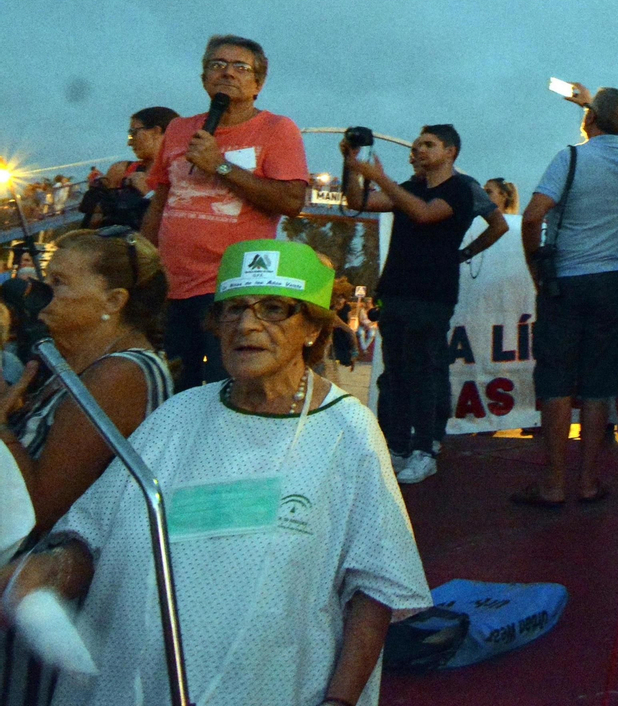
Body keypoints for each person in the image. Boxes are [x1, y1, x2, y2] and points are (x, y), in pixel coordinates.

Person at [0, 240, 431, 706]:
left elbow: (374, 587)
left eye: (273, 309)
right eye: (233, 310)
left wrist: (340, 701)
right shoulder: (179, 415)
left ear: (311, 327)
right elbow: (94, 532)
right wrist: (47, 570)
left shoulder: (348, 431)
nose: (247, 324)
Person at [0, 228, 173, 706]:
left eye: (59, 282)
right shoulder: (73, 368)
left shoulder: (121, 374)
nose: (40, 292)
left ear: (113, 300)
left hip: (54, 605)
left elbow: (43, 510)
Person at [142, 35, 309, 390]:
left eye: (240, 67)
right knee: (172, 390)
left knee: (227, 388)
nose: (227, 73)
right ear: (204, 78)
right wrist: (143, 269)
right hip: (171, 288)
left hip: (232, 288)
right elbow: (161, 200)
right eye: (217, 65)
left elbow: (292, 201)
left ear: (258, 84)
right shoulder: (179, 129)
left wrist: (220, 166)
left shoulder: (278, 130)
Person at [517, 86, 618, 507]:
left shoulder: (570, 157)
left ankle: (554, 482)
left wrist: (538, 268)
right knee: (598, 382)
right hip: (611, 281)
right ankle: (588, 481)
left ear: (589, 119)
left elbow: (534, 215)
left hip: (566, 280)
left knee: (555, 379)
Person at [342, 125, 479, 485]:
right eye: (416, 145)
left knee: (424, 372)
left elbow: (423, 214)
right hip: (396, 291)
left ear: (450, 151)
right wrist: (351, 166)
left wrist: (379, 177)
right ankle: (396, 444)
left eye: (428, 145)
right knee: (395, 374)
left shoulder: (459, 190)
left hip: (431, 295)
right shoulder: (410, 188)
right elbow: (357, 203)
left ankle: (425, 448)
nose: (418, 150)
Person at [80, 107, 180, 230]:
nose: (130, 142)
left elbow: (180, 221)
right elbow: (93, 224)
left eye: (133, 133)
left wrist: (148, 193)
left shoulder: (182, 174)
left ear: (155, 131)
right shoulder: (122, 171)